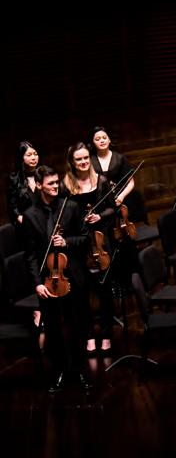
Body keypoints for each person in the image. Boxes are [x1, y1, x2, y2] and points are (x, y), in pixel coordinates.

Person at [21, 165, 90, 392]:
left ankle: (81, 370)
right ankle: (59, 371)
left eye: (56, 182)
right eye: (50, 183)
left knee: (77, 325)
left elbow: (86, 238)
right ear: (39, 185)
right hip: (48, 281)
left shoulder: (70, 207)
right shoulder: (30, 216)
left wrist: (67, 242)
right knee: (53, 329)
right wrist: (37, 284)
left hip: (72, 277)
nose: (55, 186)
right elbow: (30, 255)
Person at [64, 142, 116, 354]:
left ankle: (106, 334)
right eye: (79, 159)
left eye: (86, 157)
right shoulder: (66, 185)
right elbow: (63, 217)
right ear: (72, 162)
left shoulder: (101, 181)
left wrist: (99, 216)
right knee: (81, 294)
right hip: (79, 246)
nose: (84, 162)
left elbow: (113, 208)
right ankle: (88, 335)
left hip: (100, 243)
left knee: (104, 292)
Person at [89, 127, 136, 210]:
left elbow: (131, 183)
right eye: (97, 139)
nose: (102, 141)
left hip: (120, 199)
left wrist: (121, 196)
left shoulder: (120, 158)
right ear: (93, 143)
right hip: (99, 202)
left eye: (104, 138)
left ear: (109, 140)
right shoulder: (90, 161)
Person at [7, 141, 40, 228]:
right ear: (21, 158)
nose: (34, 158)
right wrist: (21, 219)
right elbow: (13, 207)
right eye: (29, 155)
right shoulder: (14, 179)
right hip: (26, 225)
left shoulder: (43, 174)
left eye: (35, 154)